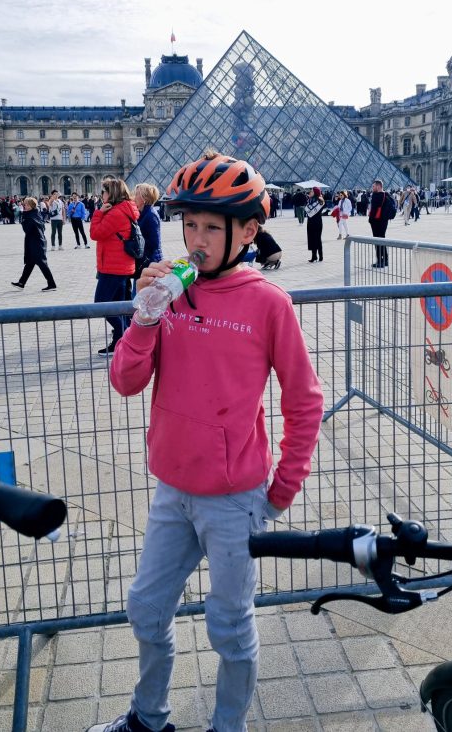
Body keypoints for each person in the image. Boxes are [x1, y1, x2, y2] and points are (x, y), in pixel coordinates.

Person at [89, 152, 324, 732]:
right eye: (187, 224)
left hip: (234, 497)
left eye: (210, 227)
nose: (194, 239)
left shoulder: (269, 303)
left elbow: (304, 399)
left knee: (230, 624)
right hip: (173, 487)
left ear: (247, 231)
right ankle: (149, 718)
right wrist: (143, 318)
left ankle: (227, 726)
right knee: (145, 607)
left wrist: (283, 488)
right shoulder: (168, 292)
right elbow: (125, 382)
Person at [90, 178, 139, 355]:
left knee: (101, 304)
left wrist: (99, 213)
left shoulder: (115, 213)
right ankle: (123, 340)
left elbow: (95, 233)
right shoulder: (126, 209)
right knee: (118, 306)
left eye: (103, 192)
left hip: (113, 267)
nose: (101, 195)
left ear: (111, 193)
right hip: (120, 266)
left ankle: (125, 335)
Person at [11, 197, 57, 291]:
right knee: (29, 263)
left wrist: (23, 220)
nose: (25, 206)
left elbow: (26, 229)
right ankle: (21, 283)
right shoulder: (35, 214)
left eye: (27, 204)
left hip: (36, 243)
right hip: (35, 242)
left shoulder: (30, 216)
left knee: (42, 263)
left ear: (32, 206)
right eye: (24, 204)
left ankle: (52, 284)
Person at [133, 183, 163, 279]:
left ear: (144, 198)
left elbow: (155, 243)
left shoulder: (150, 215)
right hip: (145, 261)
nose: (135, 197)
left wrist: (138, 243)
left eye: (137, 194)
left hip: (150, 262)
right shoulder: (143, 213)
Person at [368, 179, 390, 268]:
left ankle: (379, 261)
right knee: (382, 239)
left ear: (378, 186)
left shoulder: (375, 195)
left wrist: (370, 220)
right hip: (384, 221)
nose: (372, 188)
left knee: (377, 241)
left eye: (373, 186)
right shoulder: (387, 195)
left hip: (376, 221)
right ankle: (385, 260)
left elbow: (373, 210)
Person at [305, 186, 324, 262]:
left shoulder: (320, 201)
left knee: (318, 239)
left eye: (312, 191)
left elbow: (308, 209)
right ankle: (314, 256)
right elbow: (306, 209)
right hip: (310, 221)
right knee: (312, 239)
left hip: (317, 222)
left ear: (315, 192)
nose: (310, 192)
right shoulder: (310, 201)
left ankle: (320, 256)